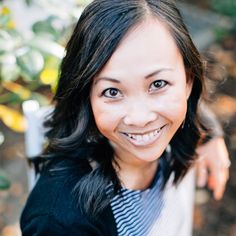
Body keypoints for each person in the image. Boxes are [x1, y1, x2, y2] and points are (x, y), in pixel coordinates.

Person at [20, 0, 230, 235]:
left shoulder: (178, 127)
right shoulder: (61, 220)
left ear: (188, 82)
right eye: (112, 92)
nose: (140, 118)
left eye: (157, 84)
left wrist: (210, 133)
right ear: (86, 96)